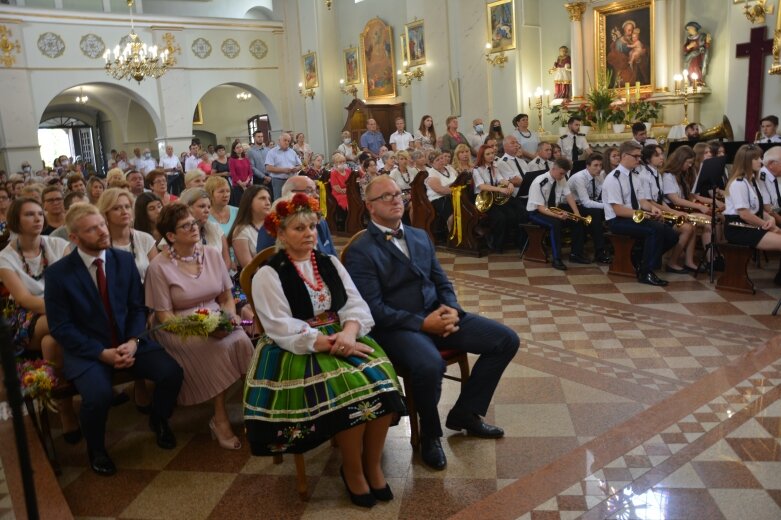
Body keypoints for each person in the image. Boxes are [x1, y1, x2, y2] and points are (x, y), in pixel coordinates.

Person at [344, 176, 519, 471]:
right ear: (370, 207)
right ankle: (430, 435)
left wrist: (451, 309)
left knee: (506, 340)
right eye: (385, 196)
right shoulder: (361, 250)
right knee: (429, 365)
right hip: (398, 328)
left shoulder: (419, 235)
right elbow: (373, 308)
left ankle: (466, 412)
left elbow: (440, 279)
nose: (396, 199)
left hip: (438, 315)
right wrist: (424, 324)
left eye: (398, 194)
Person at [245, 193, 405, 508]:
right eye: (298, 229)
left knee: (384, 385)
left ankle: (372, 465)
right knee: (350, 390)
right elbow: (278, 325)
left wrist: (348, 331)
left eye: (312, 227)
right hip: (297, 347)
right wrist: (329, 343)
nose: (308, 234)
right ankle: (353, 469)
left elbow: (353, 302)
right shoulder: (269, 272)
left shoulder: (329, 262)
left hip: (341, 333)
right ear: (281, 234)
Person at [44, 203, 184, 476]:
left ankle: (158, 419)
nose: (102, 232)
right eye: (92, 229)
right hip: (88, 350)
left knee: (171, 373)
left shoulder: (122, 260)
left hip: (127, 340)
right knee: (97, 396)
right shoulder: (59, 274)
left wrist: (133, 341)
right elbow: (61, 327)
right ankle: (96, 448)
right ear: (74, 238)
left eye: (102, 225)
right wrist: (101, 353)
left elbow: (136, 307)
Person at [145, 203, 252, 450]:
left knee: (241, 339)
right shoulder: (158, 267)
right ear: (171, 236)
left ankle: (254, 408)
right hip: (179, 327)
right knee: (212, 348)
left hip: (215, 316)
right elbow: (164, 317)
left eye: (193, 223)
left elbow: (226, 298)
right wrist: (201, 328)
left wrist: (228, 318)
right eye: (186, 226)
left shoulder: (211, 254)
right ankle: (219, 417)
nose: (194, 228)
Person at [0, 197, 78, 437]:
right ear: (15, 220)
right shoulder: (5, 257)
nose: (37, 218)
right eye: (29, 215)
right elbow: (24, 299)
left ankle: (65, 409)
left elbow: (73, 283)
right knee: (55, 327)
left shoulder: (56, 244)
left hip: (60, 316)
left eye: (38, 214)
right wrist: (64, 309)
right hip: (27, 319)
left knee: (52, 342)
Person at [601, 141, 678, 286]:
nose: (639, 160)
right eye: (635, 156)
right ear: (624, 156)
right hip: (617, 221)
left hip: (634, 216)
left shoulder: (635, 176)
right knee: (655, 230)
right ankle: (646, 272)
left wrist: (652, 209)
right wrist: (643, 214)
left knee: (672, 234)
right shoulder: (613, 179)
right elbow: (618, 209)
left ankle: (641, 258)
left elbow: (642, 200)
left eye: (639, 156)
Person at [724, 144, 781, 283]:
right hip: (738, 228)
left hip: (751, 226)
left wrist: (770, 220)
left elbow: (758, 209)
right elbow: (744, 214)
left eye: (760, 158)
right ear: (746, 161)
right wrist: (767, 225)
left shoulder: (752, 181)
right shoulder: (738, 183)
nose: (761, 162)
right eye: (756, 158)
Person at [526, 158, 589, 269]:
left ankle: (576, 254)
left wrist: (576, 213)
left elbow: (569, 196)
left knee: (577, 221)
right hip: (536, 213)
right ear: (554, 169)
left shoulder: (561, 178)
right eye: (561, 173)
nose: (562, 176)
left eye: (564, 174)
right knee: (555, 224)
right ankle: (557, 259)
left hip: (553, 209)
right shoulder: (539, 182)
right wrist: (558, 216)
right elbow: (540, 208)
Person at [661, 145, 713, 273]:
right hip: (671, 212)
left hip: (681, 210)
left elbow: (688, 197)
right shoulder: (668, 175)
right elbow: (675, 200)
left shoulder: (681, 175)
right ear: (680, 160)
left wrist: (704, 204)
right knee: (707, 222)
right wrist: (699, 206)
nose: (690, 166)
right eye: (688, 162)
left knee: (705, 222)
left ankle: (690, 261)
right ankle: (672, 262)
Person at [256, 175, 337, 256]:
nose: (317, 195)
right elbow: (266, 260)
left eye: (316, 190)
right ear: (290, 194)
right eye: (309, 191)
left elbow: (333, 256)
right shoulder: (273, 226)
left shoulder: (321, 222)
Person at [97, 188, 157, 281]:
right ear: (106, 214)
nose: (124, 212)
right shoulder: (99, 243)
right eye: (116, 208)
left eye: (127, 207)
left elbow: (157, 276)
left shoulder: (145, 239)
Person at [567, 153, 612, 264]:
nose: (598, 168)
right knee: (596, 213)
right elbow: (586, 202)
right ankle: (599, 252)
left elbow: (597, 197)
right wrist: (607, 206)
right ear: (587, 166)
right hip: (571, 205)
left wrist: (610, 205)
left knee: (604, 212)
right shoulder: (579, 178)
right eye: (595, 165)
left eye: (600, 165)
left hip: (584, 205)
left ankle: (612, 246)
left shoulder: (599, 176)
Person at [473, 144, 517, 252]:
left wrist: (509, 183)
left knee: (511, 214)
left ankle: (507, 241)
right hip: (483, 199)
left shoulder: (494, 167)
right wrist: (500, 190)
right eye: (487, 154)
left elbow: (500, 179)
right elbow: (482, 186)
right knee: (500, 217)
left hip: (494, 196)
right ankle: (496, 243)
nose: (491, 156)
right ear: (482, 156)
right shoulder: (477, 169)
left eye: (492, 153)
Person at [179, 188, 232, 270]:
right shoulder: (177, 231)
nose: (207, 211)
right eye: (202, 206)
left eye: (209, 207)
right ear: (187, 208)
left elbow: (226, 260)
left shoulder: (216, 228)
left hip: (219, 277)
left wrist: (219, 278)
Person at [228, 185, 270, 269]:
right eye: (262, 198)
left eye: (269, 199)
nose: (268, 202)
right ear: (249, 202)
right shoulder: (241, 230)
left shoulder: (274, 225)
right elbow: (250, 269)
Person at [425, 151, 459, 242]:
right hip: (439, 199)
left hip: (454, 195)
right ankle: (452, 237)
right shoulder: (431, 174)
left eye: (442, 158)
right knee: (452, 216)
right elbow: (441, 190)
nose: (441, 160)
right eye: (437, 160)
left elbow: (459, 180)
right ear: (431, 163)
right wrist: (456, 188)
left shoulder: (449, 168)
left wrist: (455, 188)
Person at [265, 132, 302, 200]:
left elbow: (300, 165)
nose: (287, 142)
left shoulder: (292, 152)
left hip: (292, 180)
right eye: (285, 140)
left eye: (288, 141)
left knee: (293, 200)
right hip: (278, 181)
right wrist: (283, 170)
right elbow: (268, 168)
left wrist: (296, 169)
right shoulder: (272, 152)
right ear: (279, 141)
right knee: (279, 201)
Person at [228, 140, 252, 205]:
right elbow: (233, 174)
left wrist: (247, 182)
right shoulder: (232, 160)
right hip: (237, 186)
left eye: (240, 147)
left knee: (249, 204)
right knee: (240, 204)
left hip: (247, 185)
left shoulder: (246, 159)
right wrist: (241, 184)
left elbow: (250, 172)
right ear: (234, 150)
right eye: (237, 147)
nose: (239, 149)